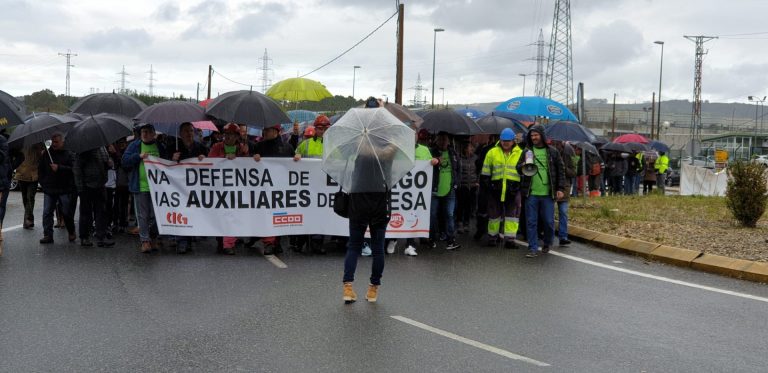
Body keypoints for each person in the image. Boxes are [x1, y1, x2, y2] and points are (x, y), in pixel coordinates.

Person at [342, 100, 395, 304]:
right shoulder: (388, 140)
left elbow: (352, 151)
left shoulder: (358, 138)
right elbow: (389, 152)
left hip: (358, 197)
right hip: (379, 197)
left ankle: (348, 287)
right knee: (378, 248)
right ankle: (373, 288)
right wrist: (381, 113)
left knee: (354, 246)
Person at [516, 125, 565, 258]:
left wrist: (560, 189)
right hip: (531, 193)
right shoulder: (527, 151)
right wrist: (523, 166)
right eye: (531, 136)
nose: (534, 138)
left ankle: (547, 243)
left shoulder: (553, 152)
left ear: (542, 135)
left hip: (548, 194)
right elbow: (517, 168)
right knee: (531, 222)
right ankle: (532, 248)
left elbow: (561, 171)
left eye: (536, 135)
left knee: (548, 222)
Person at [122, 123, 170, 253]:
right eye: (143, 131)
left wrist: (173, 159)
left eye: (148, 131)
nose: (145, 134)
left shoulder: (160, 146)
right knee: (143, 216)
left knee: (156, 216)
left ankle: (153, 237)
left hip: (157, 187)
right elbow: (124, 161)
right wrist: (138, 157)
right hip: (140, 186)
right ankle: (145, 241)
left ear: (154, 134)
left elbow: (167, 163)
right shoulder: (135, 146)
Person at [253, 123, 296, 255]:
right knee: (267, 214)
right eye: (264, 130)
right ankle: (269, 243)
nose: (265, 132)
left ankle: (276, 241)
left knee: (279, 214)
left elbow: (294, 167)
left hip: (281, 188)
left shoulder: (287, 147)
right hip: (263, 188)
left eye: (268, 130)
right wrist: (253, 157)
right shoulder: (258, 146)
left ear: (276, 132)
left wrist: (297, 159)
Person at [208, 123, 250, 255]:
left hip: (237, 188)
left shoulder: (243, 148)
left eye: (231, 135)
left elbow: (249, 167)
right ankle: (223, 239)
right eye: (226, 134)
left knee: (233, 214)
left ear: (237, 136)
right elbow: (210, 163)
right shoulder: (217, 147)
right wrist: (224, 159)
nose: (228, 137)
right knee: (221, 214)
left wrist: (245, 156)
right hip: (219, 187)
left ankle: (229, 243)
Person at [293, 115, 332, 254]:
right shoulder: (306, 144)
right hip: (308, 187)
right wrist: (297, 156)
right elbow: (296, 154)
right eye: (319, 128)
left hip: (324, 187)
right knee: (305, 215)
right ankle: (299, 242)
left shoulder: (333, 144)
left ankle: (317, 243)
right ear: (315, 129)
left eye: (325, 128)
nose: (322, 131)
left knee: (320, 215)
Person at [480, 128, 522, 248]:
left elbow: (525, 173)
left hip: (513, 189)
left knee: (512, 217)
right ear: (500, 140)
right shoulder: (492, 152)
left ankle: (510, 240)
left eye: (508, 141)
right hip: (495, 189)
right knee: (494, 215)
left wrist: (519, 187)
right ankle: (492, 238)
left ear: (513, 141)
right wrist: (489, 186)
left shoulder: (520, 153)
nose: (505, 143)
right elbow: (485, 172)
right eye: (503, 140)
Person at [171, 122, 209, 254]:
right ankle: (182, 240)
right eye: (186, 131)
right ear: (180, 134)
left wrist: (204, 159)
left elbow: (211, 163)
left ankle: (190, 236)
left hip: (196, 187)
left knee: (193, 211)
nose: (189, 134)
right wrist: (172, 159)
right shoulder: (174, 147)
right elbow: (163, 164)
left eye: (191, 131)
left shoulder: (201, 147)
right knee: (181, 212)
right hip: (179, 187)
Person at [402, 129, 438, 256]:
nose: (413, 137)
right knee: (399, 214)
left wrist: (434, 161)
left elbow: (430, 164)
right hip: (403, 190)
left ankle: (410, 244)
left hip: (419, 191)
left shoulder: (424, 149)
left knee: (414, 215)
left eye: (414, 134)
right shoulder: (400, 149)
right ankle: (393, 239)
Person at [37, 133, 77, 244]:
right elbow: (41, 169)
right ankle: (47, 234)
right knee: (47, 212)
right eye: (52, 142)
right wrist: (43, 183)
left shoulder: (69, 153)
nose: (54, 144)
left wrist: (59, 168)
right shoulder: (47, 154)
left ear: (62, 142)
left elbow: (73, 169)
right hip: (49, 188)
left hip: (64, 188)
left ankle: (71, 231)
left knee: (66, 212)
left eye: (56, 142)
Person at [73, 146, 115, 247]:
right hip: (86, 185)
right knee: (85, 213)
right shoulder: (83, 149)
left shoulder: (102, 148)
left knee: (102, 211)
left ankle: (101, 237)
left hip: (100, 184)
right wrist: (80, 187)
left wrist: (110, 162)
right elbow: (77, 168)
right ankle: (84, 237)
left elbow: (106, 163)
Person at [429, 131, 461, 250]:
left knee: (449, 214)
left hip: (450, 190)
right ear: (436, 140)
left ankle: (450, 240)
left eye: (445, 139)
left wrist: (456, 183)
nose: (443, 142)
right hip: (434, 190)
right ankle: (431, 239)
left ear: (448, 141)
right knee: (432, 215)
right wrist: (434, 161)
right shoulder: (431, 152)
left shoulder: (453, 153)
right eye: (440, 139)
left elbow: (458, 170)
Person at [552, 140, 576, 246]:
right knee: (548, 214)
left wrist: (563, 168)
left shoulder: (569, 150)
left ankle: (563, 236)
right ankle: (549, 236)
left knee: (563, 212)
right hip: (551, 186)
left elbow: (574, 171)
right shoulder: (549, 149)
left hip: (564, 187)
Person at [15, 143, 42, 230]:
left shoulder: (38, 141)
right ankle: (29, 218)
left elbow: (42, 156)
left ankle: (27, 219)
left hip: (33, 174)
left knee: (30, 197)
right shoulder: (21, 142)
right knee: (25, 198)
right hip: (21, 173)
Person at [456, 141, 478, 235]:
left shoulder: (476, 158)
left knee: (469, 206)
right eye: (469, 147)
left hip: (472, 186)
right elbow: (457, 170)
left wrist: (477, 181)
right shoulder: (459, 158)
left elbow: (479, 170)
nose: (471, 149)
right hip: (462, 186)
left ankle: (466, 223)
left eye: (472, 147)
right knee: (461, 205)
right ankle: (460, 223)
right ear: (465, 149)